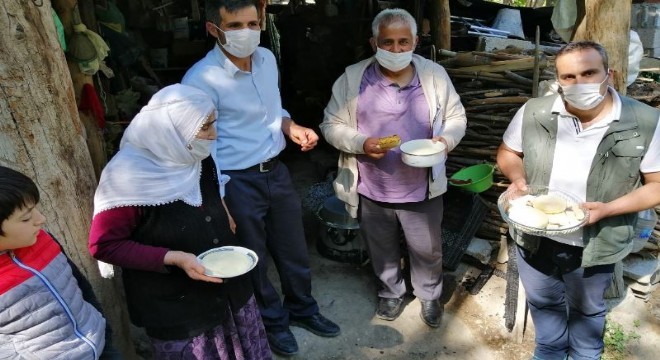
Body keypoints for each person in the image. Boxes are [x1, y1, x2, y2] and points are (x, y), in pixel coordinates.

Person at [181, 0, 340, 356]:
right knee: (253, 257)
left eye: (253, 23)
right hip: (236, 181)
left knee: (294, 249)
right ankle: (272, 322)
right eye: (235, 25)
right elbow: (202, 147)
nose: (247, 32)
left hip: (277, 172)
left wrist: (291, 125)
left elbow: (273, 108)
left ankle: (303, 310)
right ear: (213, 29)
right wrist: (219, 200)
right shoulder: (199, 79)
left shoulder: (266, 60)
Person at [497, 40, 660, 360]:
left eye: (589, 73)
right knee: (544, 306)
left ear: (609, 74)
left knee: (587, 314)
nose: (579, 83)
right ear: (558, 80)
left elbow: (656, 185)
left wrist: (609, 209)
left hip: (597, 242)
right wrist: (518, 178)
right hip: (535, 237)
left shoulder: (644, 122)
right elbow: (508, 153)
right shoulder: (535, 112)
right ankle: (548, 353)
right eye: (568, 77)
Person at [88, 84, 271, 359]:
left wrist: (223, 210)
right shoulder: (127, 178)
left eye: (213, 124)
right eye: (205, 128)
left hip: (229, 290)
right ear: (172, 131)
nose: (214, 134)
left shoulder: (197, 155)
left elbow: (209, 190)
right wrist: (172, 257)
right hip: (177, 307)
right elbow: (104, 245)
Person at [320, 8, 467, 328]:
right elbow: (329, 125)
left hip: (421, 185)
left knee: (427, 248)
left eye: (404, 42)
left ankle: (429, 295)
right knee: (380, 245)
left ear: (416, 41)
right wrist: (360, 142)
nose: (397, 50)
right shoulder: (352, 78)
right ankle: (391, 291)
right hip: (372, 185)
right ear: (374, 43)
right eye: (388, 42)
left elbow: (457, 117)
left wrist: (445, 140)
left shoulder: (433, 75)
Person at [0, 166, 107, 359]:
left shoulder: (41, 239)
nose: (41, 219)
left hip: (99, 342)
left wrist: (101, 324)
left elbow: (80, 284)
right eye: (26, 218)